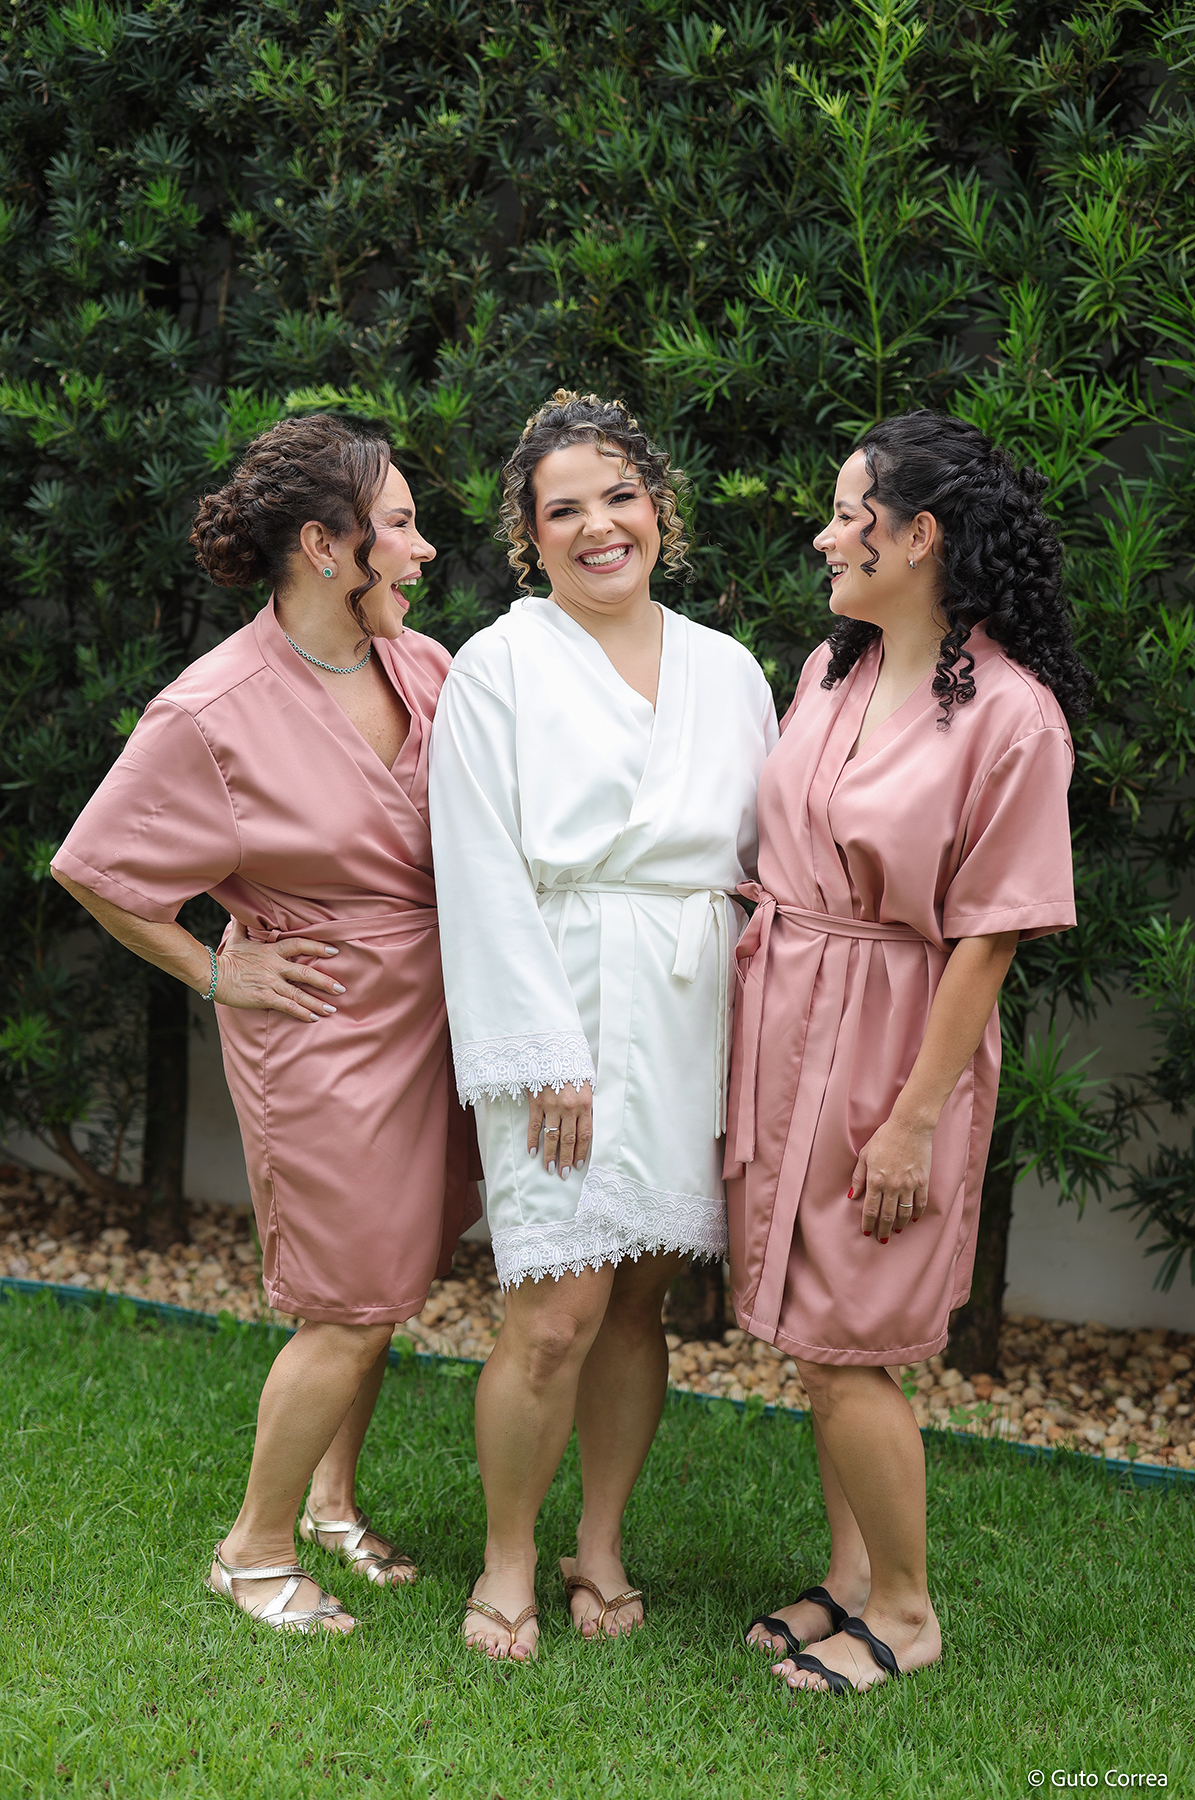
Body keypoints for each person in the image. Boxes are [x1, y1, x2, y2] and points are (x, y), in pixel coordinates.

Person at [52, 414, 478, 1635]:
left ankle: (334, 1505)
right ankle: (252, 1552)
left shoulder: (421, 664)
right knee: (348, 1298)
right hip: (321, 1028)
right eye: (399, 525)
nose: (423, 548)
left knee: (387, 1281)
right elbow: (95, 868)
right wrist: (211, 971)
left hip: (435, 1017)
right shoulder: (212, 711)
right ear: (325, 547)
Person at [730, 410, 1085, 1694]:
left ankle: (911, 1612)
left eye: (848, 515)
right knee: (824, 1339)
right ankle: (852, 1576)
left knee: (848, 1343)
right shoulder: (832, 669)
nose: (827, 537)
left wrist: (913, 1118)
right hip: (786, 1015)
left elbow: (991, 939)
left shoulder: (1012, 717)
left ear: (919, 534)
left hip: (896, 1038)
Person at [429, 390, 778, 1661]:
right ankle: (509, 1557)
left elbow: (769, 861)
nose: (599, 527)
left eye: (620, 496)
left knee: (638, 1301)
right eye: (563, 509)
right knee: (553, 1313)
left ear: (659, 509)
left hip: (691, 1007)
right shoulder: (499, 665)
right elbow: (477, 870)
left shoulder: (730, 671)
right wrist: (545, 1054)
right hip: (558, 994)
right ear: (530, 538)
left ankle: (603, 1542)